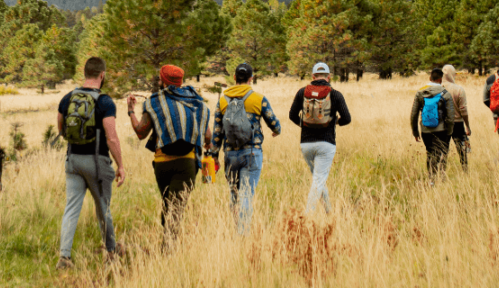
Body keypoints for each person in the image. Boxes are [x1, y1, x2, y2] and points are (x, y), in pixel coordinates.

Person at [56, 57, 125, 269]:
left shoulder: (68, 98)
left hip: (73, 160)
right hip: (97, 161)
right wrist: (120, 165)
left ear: (84, 73)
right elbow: (111, 136)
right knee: (102, 207)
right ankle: (111, 252)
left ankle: (64, 257)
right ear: (102, 75)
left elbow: (61, 130)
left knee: (71, 207)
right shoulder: (105, 102)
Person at [127, 64, 211, 237]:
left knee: (168, 205)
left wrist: (130, 111)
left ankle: (167, 247)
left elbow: (141, 132)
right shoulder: (195, 100)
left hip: (162, 164)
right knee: (176, 209)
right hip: (186, 164)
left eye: (160, 78)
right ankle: (168, 250)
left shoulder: (155, 102)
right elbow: (208, 137)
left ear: (163, 81)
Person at [209, 62, 282, 232]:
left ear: (234, 78)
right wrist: (276, 131)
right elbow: (275, 124)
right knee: (247, 195)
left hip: (230, 155)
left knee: (234, 194)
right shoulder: (258, 99)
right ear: (251, 78)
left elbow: (217, 131)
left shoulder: (222, 100)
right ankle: (243, 234)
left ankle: (237, 228)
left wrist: (214, 156)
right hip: (251, 153)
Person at [289, 62, 351, 213]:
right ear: (329, 77)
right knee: (318, 180)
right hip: (326, 143)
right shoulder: (335, 94)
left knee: (318, 179)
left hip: (306, 145)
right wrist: (335, 122)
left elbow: (292, 115)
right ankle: (306, 217)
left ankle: (329, 213)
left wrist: (303, 126)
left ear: (313, 76)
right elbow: (347, 118)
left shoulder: (302, 92)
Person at [410, 68, 455, 182]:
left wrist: (415, 132)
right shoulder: (445, 93)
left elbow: (414, 114)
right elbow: (450, 116)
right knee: (441, 154)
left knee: (430, 153)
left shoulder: (420, 92)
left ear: (430, 78)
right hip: (441, 130)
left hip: (425, 130)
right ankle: (441, 178)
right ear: (440, 79)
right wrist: (449, 132)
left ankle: (431, 178)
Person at [441, 64, 470, 171]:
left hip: (442, 124)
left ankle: (441, 171)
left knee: (443, 149)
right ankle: (464, 169)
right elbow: (464, 110)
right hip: (457, 123)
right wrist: (467, 126)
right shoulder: (458, 89)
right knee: (462, 149)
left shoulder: (436, 89)